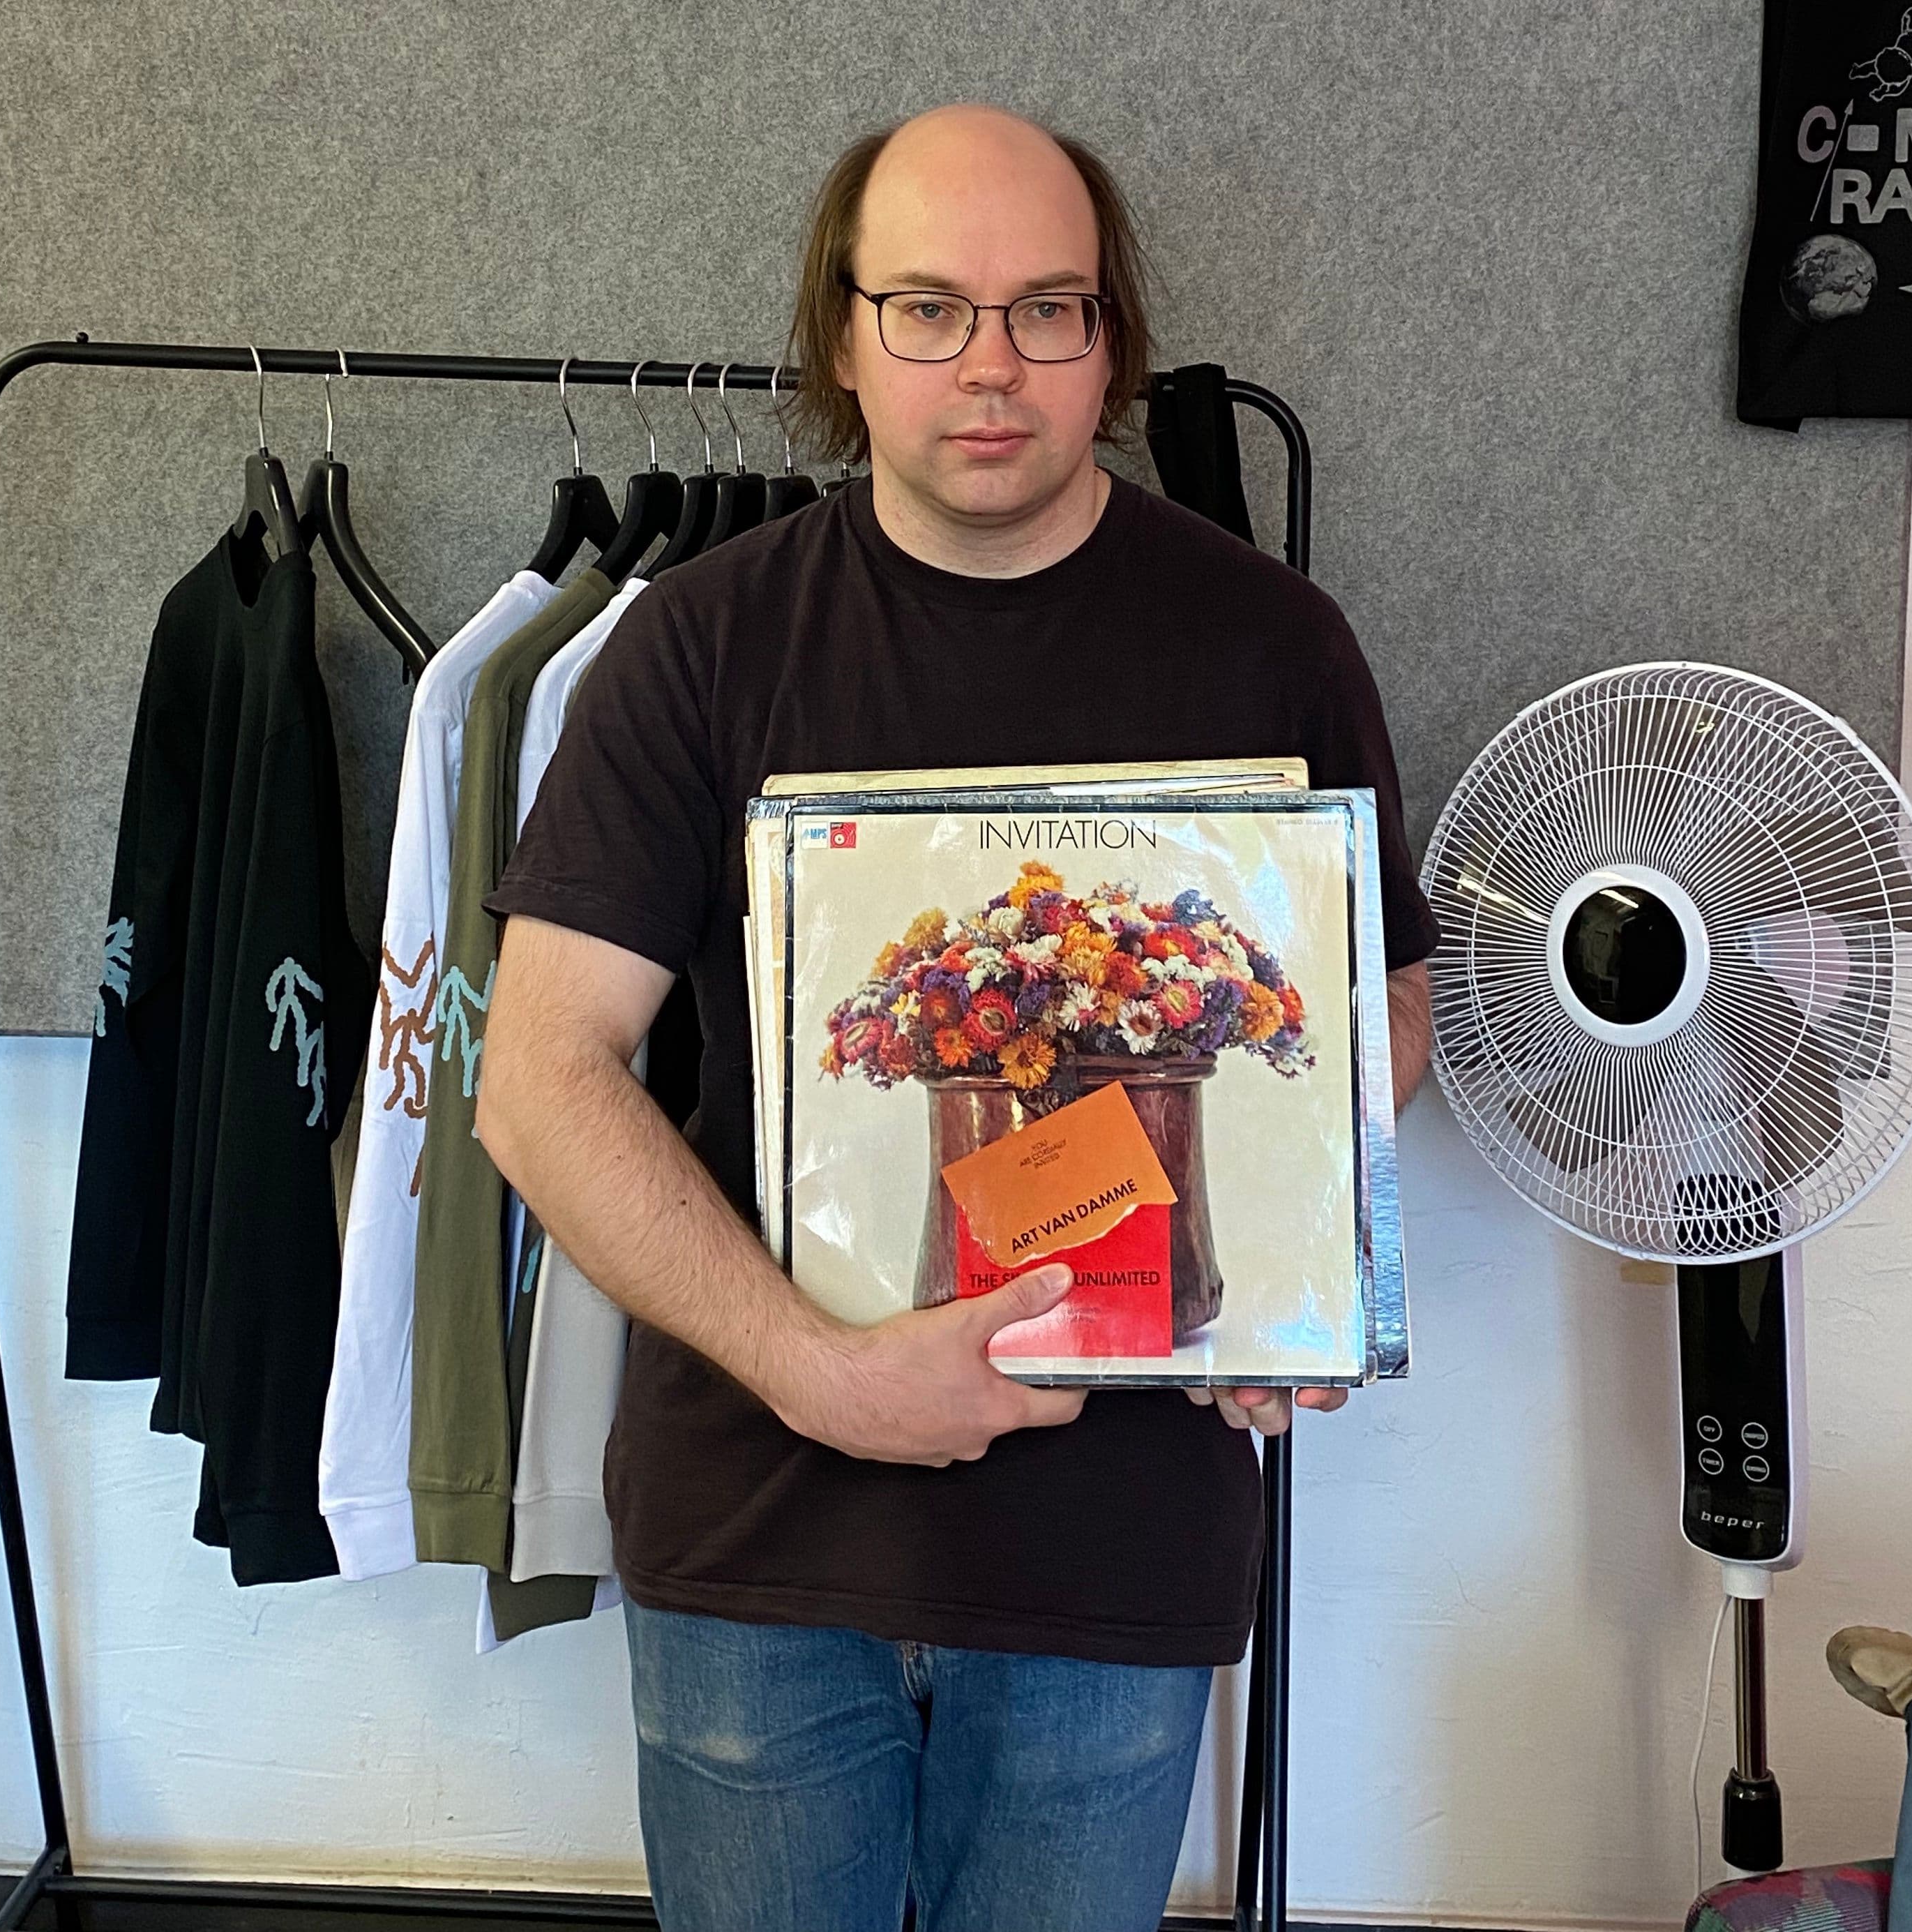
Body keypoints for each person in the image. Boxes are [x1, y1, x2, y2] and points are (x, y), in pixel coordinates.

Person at [479, 103, 1438, 1932]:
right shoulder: (696, 646)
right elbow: (539, 1082)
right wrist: (814, 1370)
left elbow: (1383, 998)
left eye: (1045, 309)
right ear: (843, 338)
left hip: (1116, 1560)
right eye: (927, 307)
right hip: (762, 1549)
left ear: (1109, 340)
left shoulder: (1273, 643)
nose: (989, 364)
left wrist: (1302, 1254)